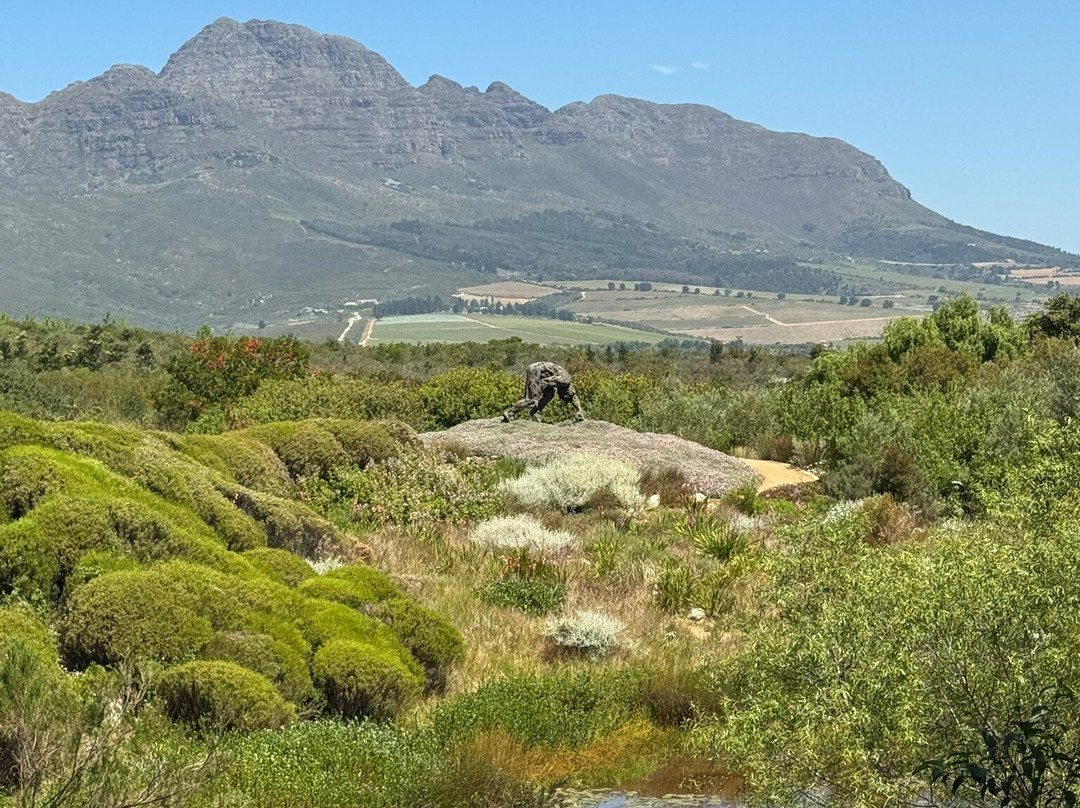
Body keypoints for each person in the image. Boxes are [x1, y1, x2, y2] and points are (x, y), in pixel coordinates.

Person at [502, 361, 585, 423]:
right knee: (531, 400)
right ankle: (510, 413)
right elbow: (544, 382)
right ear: (565, 392)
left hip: (542, 373)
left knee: (549, 394)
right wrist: (536, 395)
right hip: (535, 370)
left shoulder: (565, 384)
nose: (563, 399)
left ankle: (535, 412)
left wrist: (579, 410)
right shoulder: (564, 381)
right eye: (564, 398)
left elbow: (572, 397)